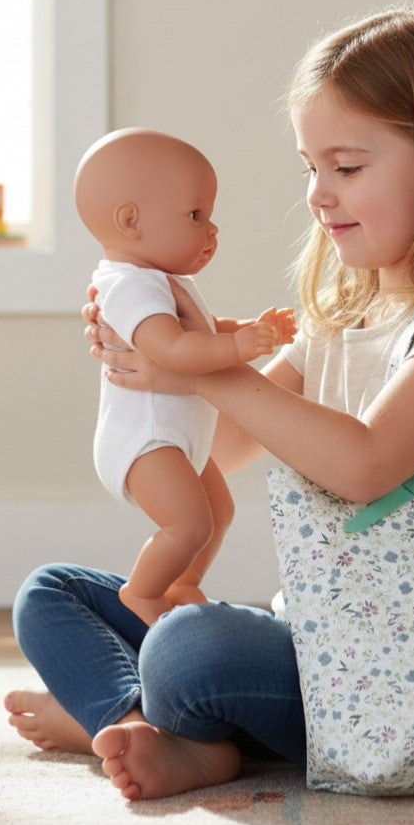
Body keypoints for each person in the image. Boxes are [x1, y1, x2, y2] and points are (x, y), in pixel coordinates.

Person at [5, 5, 414, 802]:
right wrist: (159, 344)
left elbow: (367, 464)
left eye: (346, 167)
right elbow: (226, 446)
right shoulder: (342, 317)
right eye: (310, 166)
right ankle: (138, 716)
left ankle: (156, 718)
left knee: (194, 648)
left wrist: (200, 371)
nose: (318, 193)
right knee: (51, 593)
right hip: (328, 646)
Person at [73, 128, 296, 625]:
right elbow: (169, 349)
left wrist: (249, 330)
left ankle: (184, 581)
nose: (211, 230)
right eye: (196, 215)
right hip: (146, 442)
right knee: (189, 523)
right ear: (130, 221)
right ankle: (143, 593)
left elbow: (201, 331)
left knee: (219, 513)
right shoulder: (127, 285)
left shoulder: (163, 280)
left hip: (178, 438)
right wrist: (238, 347)